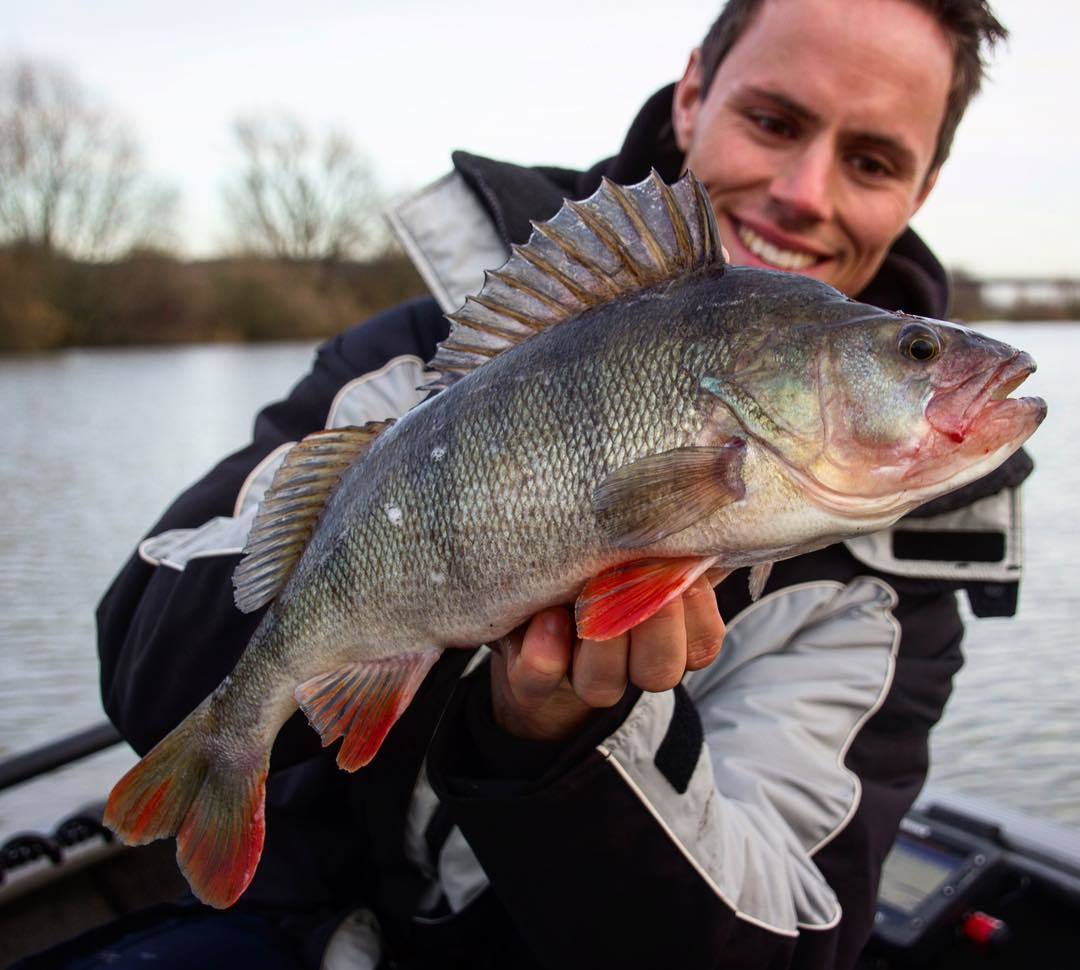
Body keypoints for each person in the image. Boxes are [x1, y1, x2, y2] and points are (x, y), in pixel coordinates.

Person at [27, 1, 1031, 968]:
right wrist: (335, 581)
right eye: (773, 120)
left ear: (923, 189)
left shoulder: (906, 577)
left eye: (872, 160)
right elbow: (143, 669)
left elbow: (789, 945)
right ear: (692, 95)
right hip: (316, 928)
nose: (806, 190)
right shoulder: (419, 359)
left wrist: (561, 740)